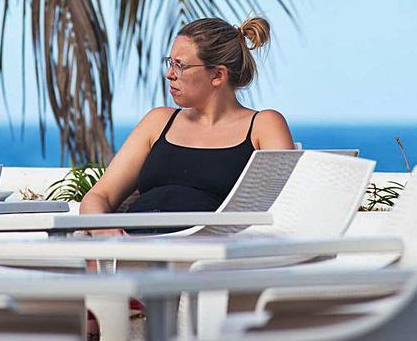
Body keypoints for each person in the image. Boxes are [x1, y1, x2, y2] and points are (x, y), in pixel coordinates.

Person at [80, 16, 294, 233]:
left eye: (180, 66)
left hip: (205, 254)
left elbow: (285, 208)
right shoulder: (158, 122)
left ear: (218, 75)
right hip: (132, 247)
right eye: (170, 63)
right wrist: (104, 232)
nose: (169, 74)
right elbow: (100, 196)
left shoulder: (263, 125)